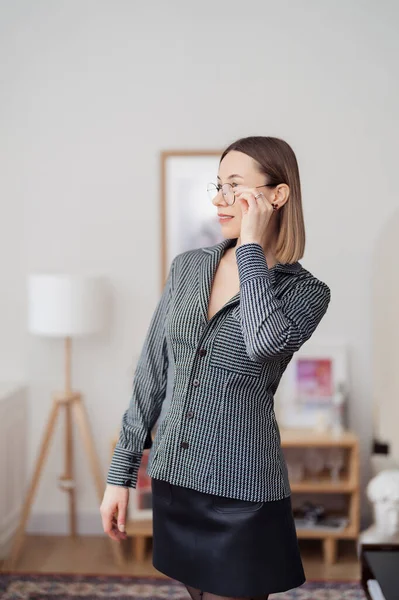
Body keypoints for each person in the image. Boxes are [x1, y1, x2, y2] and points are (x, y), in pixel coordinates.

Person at [100, 136, 331, 599]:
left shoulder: (308, 292)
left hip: (241, 494)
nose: (219, 199)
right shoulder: (187, 268)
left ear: (277, 195)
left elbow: (263, 344)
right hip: (173, 479)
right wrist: (120, 476)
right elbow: (151, 373)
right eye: (217, 185)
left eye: (234, 186)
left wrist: (249, 248)